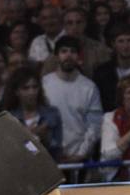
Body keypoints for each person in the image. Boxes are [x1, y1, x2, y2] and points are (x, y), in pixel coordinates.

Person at [42, 36, 104, 180]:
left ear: (78, 56)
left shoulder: (89, 87)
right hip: (50, 158)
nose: (68, 55)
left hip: (80, 160)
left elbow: (95, 125)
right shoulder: (44, 84)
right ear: (57, 56)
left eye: (73, 51)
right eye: (64, 51)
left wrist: (80, 154)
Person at [2, 66, 63, 160]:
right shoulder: (10, 118)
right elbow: (10, 153)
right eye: (26, 88)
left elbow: (57, 150)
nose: (32, 92)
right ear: (16, 91)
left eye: (35, 87)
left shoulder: (52, 114)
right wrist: (27, 136)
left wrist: (45, 140)